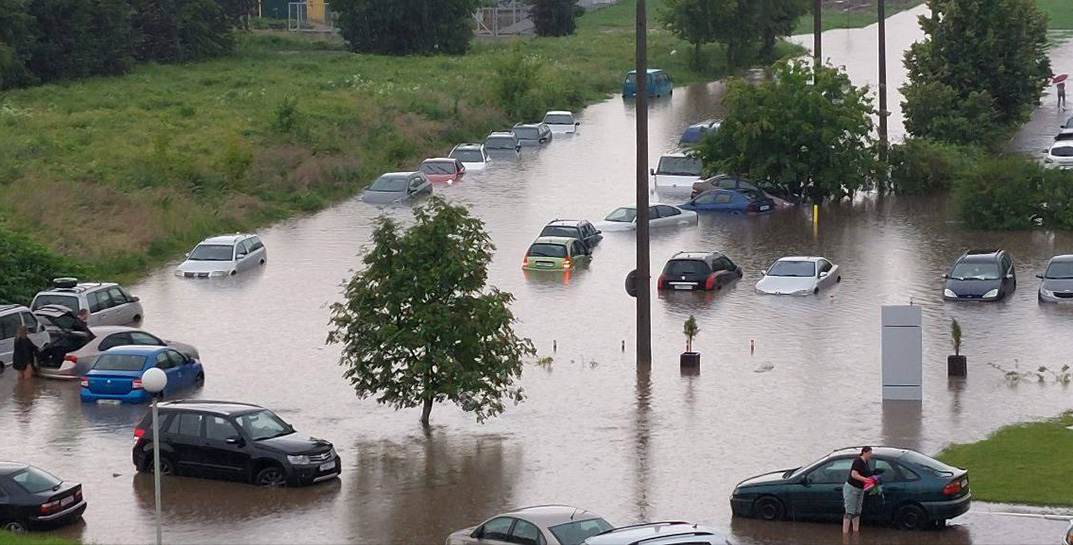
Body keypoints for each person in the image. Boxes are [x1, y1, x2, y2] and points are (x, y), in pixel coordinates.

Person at [843, 446, 874, 534]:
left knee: (857, 511)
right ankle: (845, 533)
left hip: (860, 489)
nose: (870, 455)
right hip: (852, 488)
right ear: (864, 452)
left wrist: (873, 478)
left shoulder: (866, 462)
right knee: (849, 511)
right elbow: (854, 474)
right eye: (869, 453)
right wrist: (866, 480)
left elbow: (866, 473)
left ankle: (856, 531)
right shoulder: (858, 461)